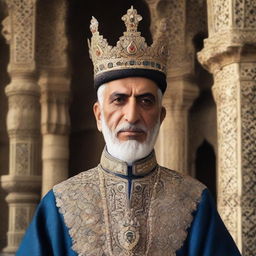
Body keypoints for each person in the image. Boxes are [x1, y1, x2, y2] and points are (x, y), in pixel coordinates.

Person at [17, 6, 241, 256]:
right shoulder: (59, 203)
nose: (132, 115)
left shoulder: (195, 201)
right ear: (99, 116)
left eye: (145, 101)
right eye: (119, 100)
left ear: (161, 115)